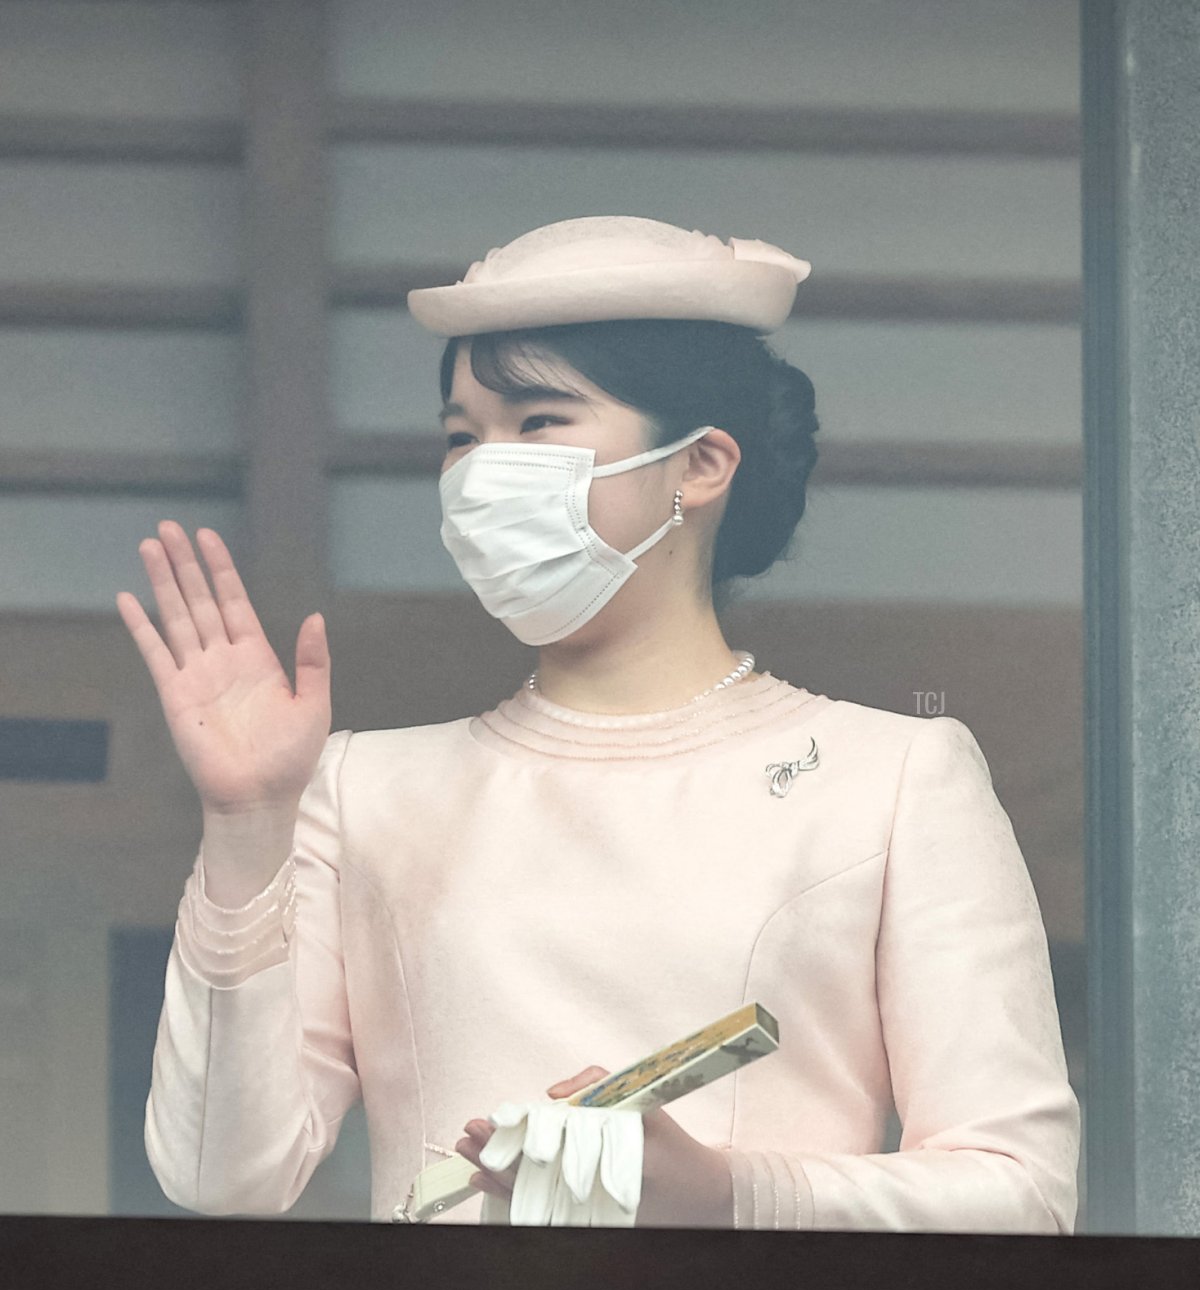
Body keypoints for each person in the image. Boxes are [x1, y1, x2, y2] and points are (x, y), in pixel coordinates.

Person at [116, 214, 1080, 1231]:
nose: (481, 473)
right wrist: (246, 823)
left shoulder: (894, 778)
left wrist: (731, 1192)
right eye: (459, 436)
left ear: (701, 464)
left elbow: (1021, 1193)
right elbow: (221, 1176)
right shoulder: (358, 789)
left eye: (536, 424)